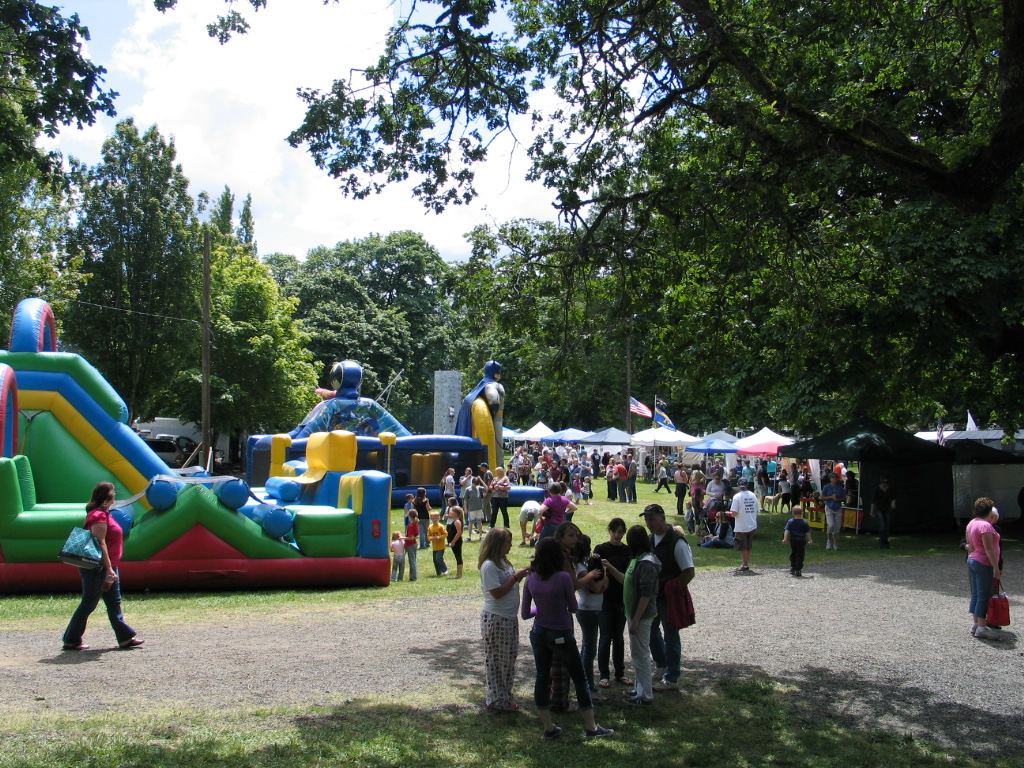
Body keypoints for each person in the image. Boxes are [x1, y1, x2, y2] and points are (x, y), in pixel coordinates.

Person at [520, 537, 615, 739]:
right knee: (580, 679)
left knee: (542, 678)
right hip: (561, 633)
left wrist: (542, 607)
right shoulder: (563, 577)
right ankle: (591, 726)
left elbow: (526, 613)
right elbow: (573, 607)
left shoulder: (531, 578)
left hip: (539, 633)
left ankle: (548, 726)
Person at [62, 482, 143, 651]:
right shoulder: (98, 516)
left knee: (114, 603)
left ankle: (125, 638)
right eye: (113, 493)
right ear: (107, 497)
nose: (115, 495)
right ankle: (71, 639)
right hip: (98, 568)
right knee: (89, 602)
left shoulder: (106, 514)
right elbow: (100, 543)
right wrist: (108, 568)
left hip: (110, 566)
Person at [602, 524, 660, 705]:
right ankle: (639, 689)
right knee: (636, 653)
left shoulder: (647, 563)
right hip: (632, 613)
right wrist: (609, 567)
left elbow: (646, 594)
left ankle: (646, 695)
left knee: (641, 654)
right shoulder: (636, 560)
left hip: (640, 616)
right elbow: (625, 580)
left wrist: (635, 620)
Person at [641, 503, 695, 692]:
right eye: (647, 519)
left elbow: (688, 571)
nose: (649, 523)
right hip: (653, 596)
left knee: (671, 635)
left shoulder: (676, 541)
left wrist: (675, 589)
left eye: (652, 519)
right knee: (650, 631)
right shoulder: (650, 540)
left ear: (662, 518)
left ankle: (672, 676)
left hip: (667, 597)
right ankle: (661, 664)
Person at [479, 527, 530, 712]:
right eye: (507, 542)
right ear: (498, 544)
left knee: (508, 659)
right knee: (496, 660)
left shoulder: (503, 562)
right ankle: (496, 699)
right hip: (497, 618)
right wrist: (517, 577)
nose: (510, 545)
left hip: (509, 617)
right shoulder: (489, 566)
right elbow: (497, 592)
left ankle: (505, 696)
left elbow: (508, 585)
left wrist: (521, 575)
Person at [593, 518, 632, 690]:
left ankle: (619, 672)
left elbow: (627, 579)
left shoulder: (627, 551)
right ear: (609, 530)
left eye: (620, 532)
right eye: (614, 531)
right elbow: (594, 573)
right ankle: (603, 674)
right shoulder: (601, 549)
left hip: (621, 599)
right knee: (605, 636)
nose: (617, 535)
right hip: (605, 599)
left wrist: (609, 567)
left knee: (618, 637)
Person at [574, 534, 608, 700]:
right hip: (588, 611)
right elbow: (596, 588)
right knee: (589, 650)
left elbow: (602, 587)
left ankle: (584, 683)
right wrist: (605, 573)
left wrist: (603, 577)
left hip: (592, 610)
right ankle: (588, 687)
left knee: (587, 649)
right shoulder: (581, 568)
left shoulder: (586, 564)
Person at [965, 497, 1002, 640]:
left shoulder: (971, 523)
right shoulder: (986, 526)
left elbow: (970, 544)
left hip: (973, 559)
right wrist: (996, 567)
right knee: (983, 595)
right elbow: (989, 549)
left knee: (975, 594)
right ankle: (981, 627)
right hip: (983, 562)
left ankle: (975, 624)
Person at [727, 478, 759, 572]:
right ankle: (746, 563)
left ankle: (745, 565)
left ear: (738, 485)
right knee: (748, 545)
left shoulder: (737, 496)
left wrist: (728, 514)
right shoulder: (753, 495)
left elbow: (734, 512)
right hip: (752, 523)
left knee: (743, 546)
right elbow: (757, 509)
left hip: (741, 524)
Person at [782, 505, 812, 577]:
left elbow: (787, 530)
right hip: (801, 540)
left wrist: (785, 538)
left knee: (794, 552)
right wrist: (810, 540)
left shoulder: (790, 521)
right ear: (802, 513)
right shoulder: (804, 522)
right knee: (800, 554)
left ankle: (793, 567)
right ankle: (798, 569)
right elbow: (808, 532)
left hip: (793, 540)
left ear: (793, 513)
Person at [870, 476, 896, 549]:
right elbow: (873, 501)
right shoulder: (877, 489)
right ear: (880, 482)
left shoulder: (889, 489)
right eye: (883, 482)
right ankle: (881, 542)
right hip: (879, 509)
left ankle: (886, 542)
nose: (885, 484)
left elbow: (893, 497)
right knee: (882, 524)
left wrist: (893, 503)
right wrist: (872, 511)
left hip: (887, 509)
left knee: (887, 526)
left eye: (886, 483)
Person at [821, 472, 845, 551]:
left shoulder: (840, 487)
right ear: (830, 478)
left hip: (838, 508)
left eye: (835, 477)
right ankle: (829, 540)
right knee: (830, 525)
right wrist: (831, 497)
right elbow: (821, 497)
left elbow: (843, 498)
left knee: (837, 528)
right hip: (829, 507)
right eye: (833, 477)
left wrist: (839, 499)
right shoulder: (826, 487)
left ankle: (835, 543)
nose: (834, 479)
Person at [463, 476, 486, 541]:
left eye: (476, 484)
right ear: (472, 482)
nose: (475, 485)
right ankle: (469, 536)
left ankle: (481, 536)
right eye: (474, 484)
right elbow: (465, 499)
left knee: (479, 521)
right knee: (470, 522)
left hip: (479, 508)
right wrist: (465, 508)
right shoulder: (468, 489)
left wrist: (481, 480)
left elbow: (486, 488)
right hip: (471, 509)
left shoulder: (479, 488)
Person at [446, 505, 465, 579]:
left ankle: (459, 574)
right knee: (457, 556)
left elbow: (459, 532)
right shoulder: (456, 520)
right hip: (455, 541)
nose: (449, 513)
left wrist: (453, 541)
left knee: (458, 556)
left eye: (451, 512)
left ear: (456, 513)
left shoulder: (457, 521)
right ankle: (459, 573)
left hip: (456, 541)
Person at [427, 511, 448, 576]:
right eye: (433, 518)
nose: (434, 520)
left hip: (441, 546)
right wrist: (431, 538)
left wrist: (439, 537)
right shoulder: (430, 527)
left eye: (436, 518)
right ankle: (438, 572)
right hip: (434, 546)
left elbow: (446, 534)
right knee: (435, 560)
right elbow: (428, 536)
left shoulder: (441, 526)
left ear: (439, 518)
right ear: (431, 519)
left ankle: (445, 570)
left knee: (438, 558)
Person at [403, 516, 419, 582]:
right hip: (414, 544)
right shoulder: (416, 525)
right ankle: (413, 576)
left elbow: (411, 537)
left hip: (411, 544)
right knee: (413, 561)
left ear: (410, 517)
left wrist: (402, 538)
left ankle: (413, 577)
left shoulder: (411, 526)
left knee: (412, 561)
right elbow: (416, 536)